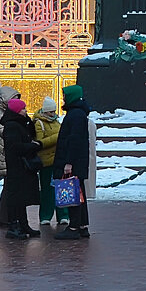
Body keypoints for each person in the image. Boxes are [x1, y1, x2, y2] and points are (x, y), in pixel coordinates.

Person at [53, 84, 93, 240]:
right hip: (78, 161)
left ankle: (74, 226)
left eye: (65, 95)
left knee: (73, 194)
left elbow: (73, 140)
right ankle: (82, 226)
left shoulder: (75, 114)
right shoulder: (79, 113)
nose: (63, 98)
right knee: (79, 193)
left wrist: (68, 162)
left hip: (73, 162)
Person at [1, 98, 42, 240]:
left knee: (21, 197)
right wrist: (35, 146)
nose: (26, 111)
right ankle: (14, 226)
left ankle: (23, 224)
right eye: (23, 109)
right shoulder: (12, 126)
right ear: (17, 111)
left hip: (22, 166)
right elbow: (15, 147)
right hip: (17, 166)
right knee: (15, 197)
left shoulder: (19, 123)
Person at [33, 96, 68, 227]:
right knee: (47, 190)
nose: (53, 114)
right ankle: (45, 216)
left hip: (58, 160)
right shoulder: (38, 123)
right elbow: (40, 142)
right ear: (45, 111)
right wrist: (58, 137)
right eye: (50, 112)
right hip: (46, 161)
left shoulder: (56, 122)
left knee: (61, 188)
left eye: (54, 111)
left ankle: (63, 215)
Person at [0, 85, 19, 227]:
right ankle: (5, 217)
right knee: (9, 187)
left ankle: (5, 216)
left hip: (7, 154)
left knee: (9, 187)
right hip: (5, 155)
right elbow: (4, 131)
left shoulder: (1, 112)